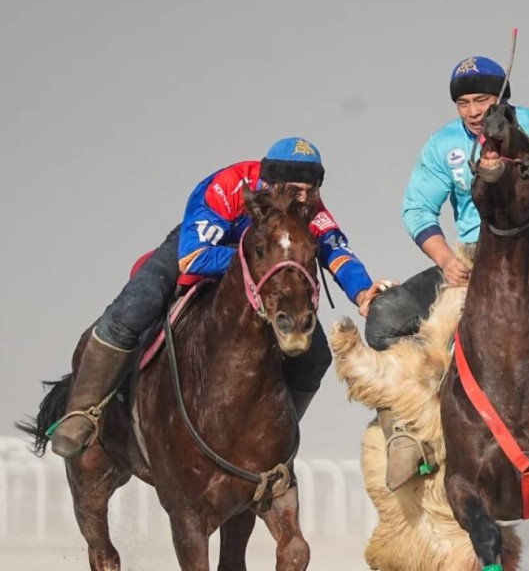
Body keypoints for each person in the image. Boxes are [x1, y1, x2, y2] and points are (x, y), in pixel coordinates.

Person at [365, 55, 529, 489]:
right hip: (468, 259)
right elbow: (417, 208)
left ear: (502, 98)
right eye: (463, 103)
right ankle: (404, 433)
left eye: (481, 99)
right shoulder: (443, 145)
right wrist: (445, 258)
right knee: (384, 319)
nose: (473, 111)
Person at [50, 137, 390, 459]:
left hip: (266, 263)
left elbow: (334, 249)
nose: (303, 200)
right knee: (133, 307)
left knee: (315, 355)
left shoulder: (308, 207)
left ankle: (280, 435)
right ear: (270, 185)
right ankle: (82, 410)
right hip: (202, 250)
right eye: (295, 191)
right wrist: (257, 260)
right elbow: (194, 258)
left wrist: (362, 292)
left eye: (311, 191)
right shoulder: (225, 187)